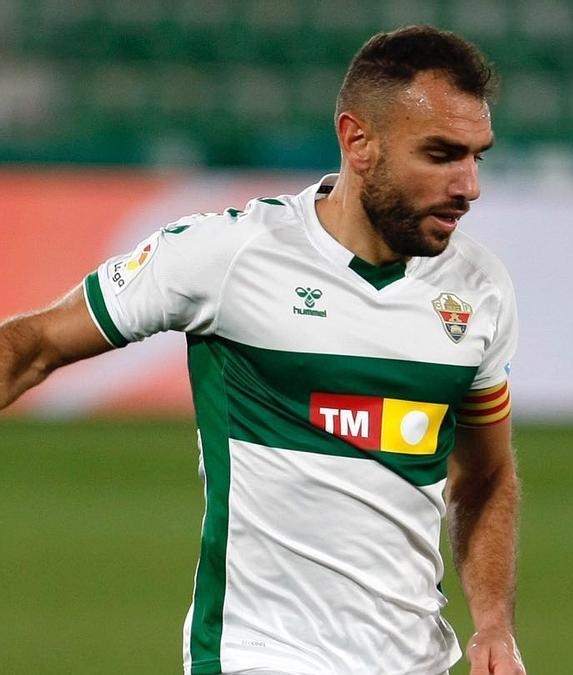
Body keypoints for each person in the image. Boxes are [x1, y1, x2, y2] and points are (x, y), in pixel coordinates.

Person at [0, 26, 525, 675]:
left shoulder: (479, 290)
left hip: (414, 659)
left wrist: (495, 623)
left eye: (478, 156)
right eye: (442, 154)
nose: (468, 185)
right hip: (259, 654)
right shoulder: (228, 255)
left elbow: (486, 475)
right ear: (358, 141)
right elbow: (32, 344)